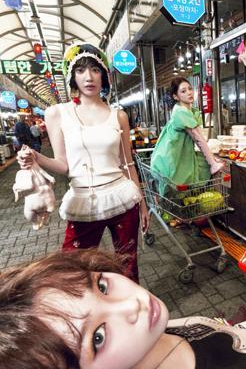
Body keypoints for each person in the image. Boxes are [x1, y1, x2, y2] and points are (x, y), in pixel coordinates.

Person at [0, 249, 246, 369]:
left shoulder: (156, 333)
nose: (131, 304)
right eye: (98, 337)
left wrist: (244, 332)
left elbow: (206, 336)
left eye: (101, 286)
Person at [16, 43, 149, 282]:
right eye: (80, 70)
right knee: (73, 271)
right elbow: (63, 165)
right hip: (83, 201)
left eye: (95, 70)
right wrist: (36, 156)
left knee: (128, 265)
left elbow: (128, 164)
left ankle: (132, 304)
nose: (89, 77)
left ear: (104, 75)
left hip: (123, 198)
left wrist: (143, 204)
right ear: (72, 76)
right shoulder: (58, 113)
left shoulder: (118, 115)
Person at [151, 77, 224, 186]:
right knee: (178, 189)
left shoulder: (190, 111)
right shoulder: (181, 112)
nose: (189, 93)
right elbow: (198, 139)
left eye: (190, 89)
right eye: (183, 91)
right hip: (172, 158)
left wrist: (212, 159)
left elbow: (200, 138)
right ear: (175, 96)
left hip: (178, 156)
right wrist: (213, 163)